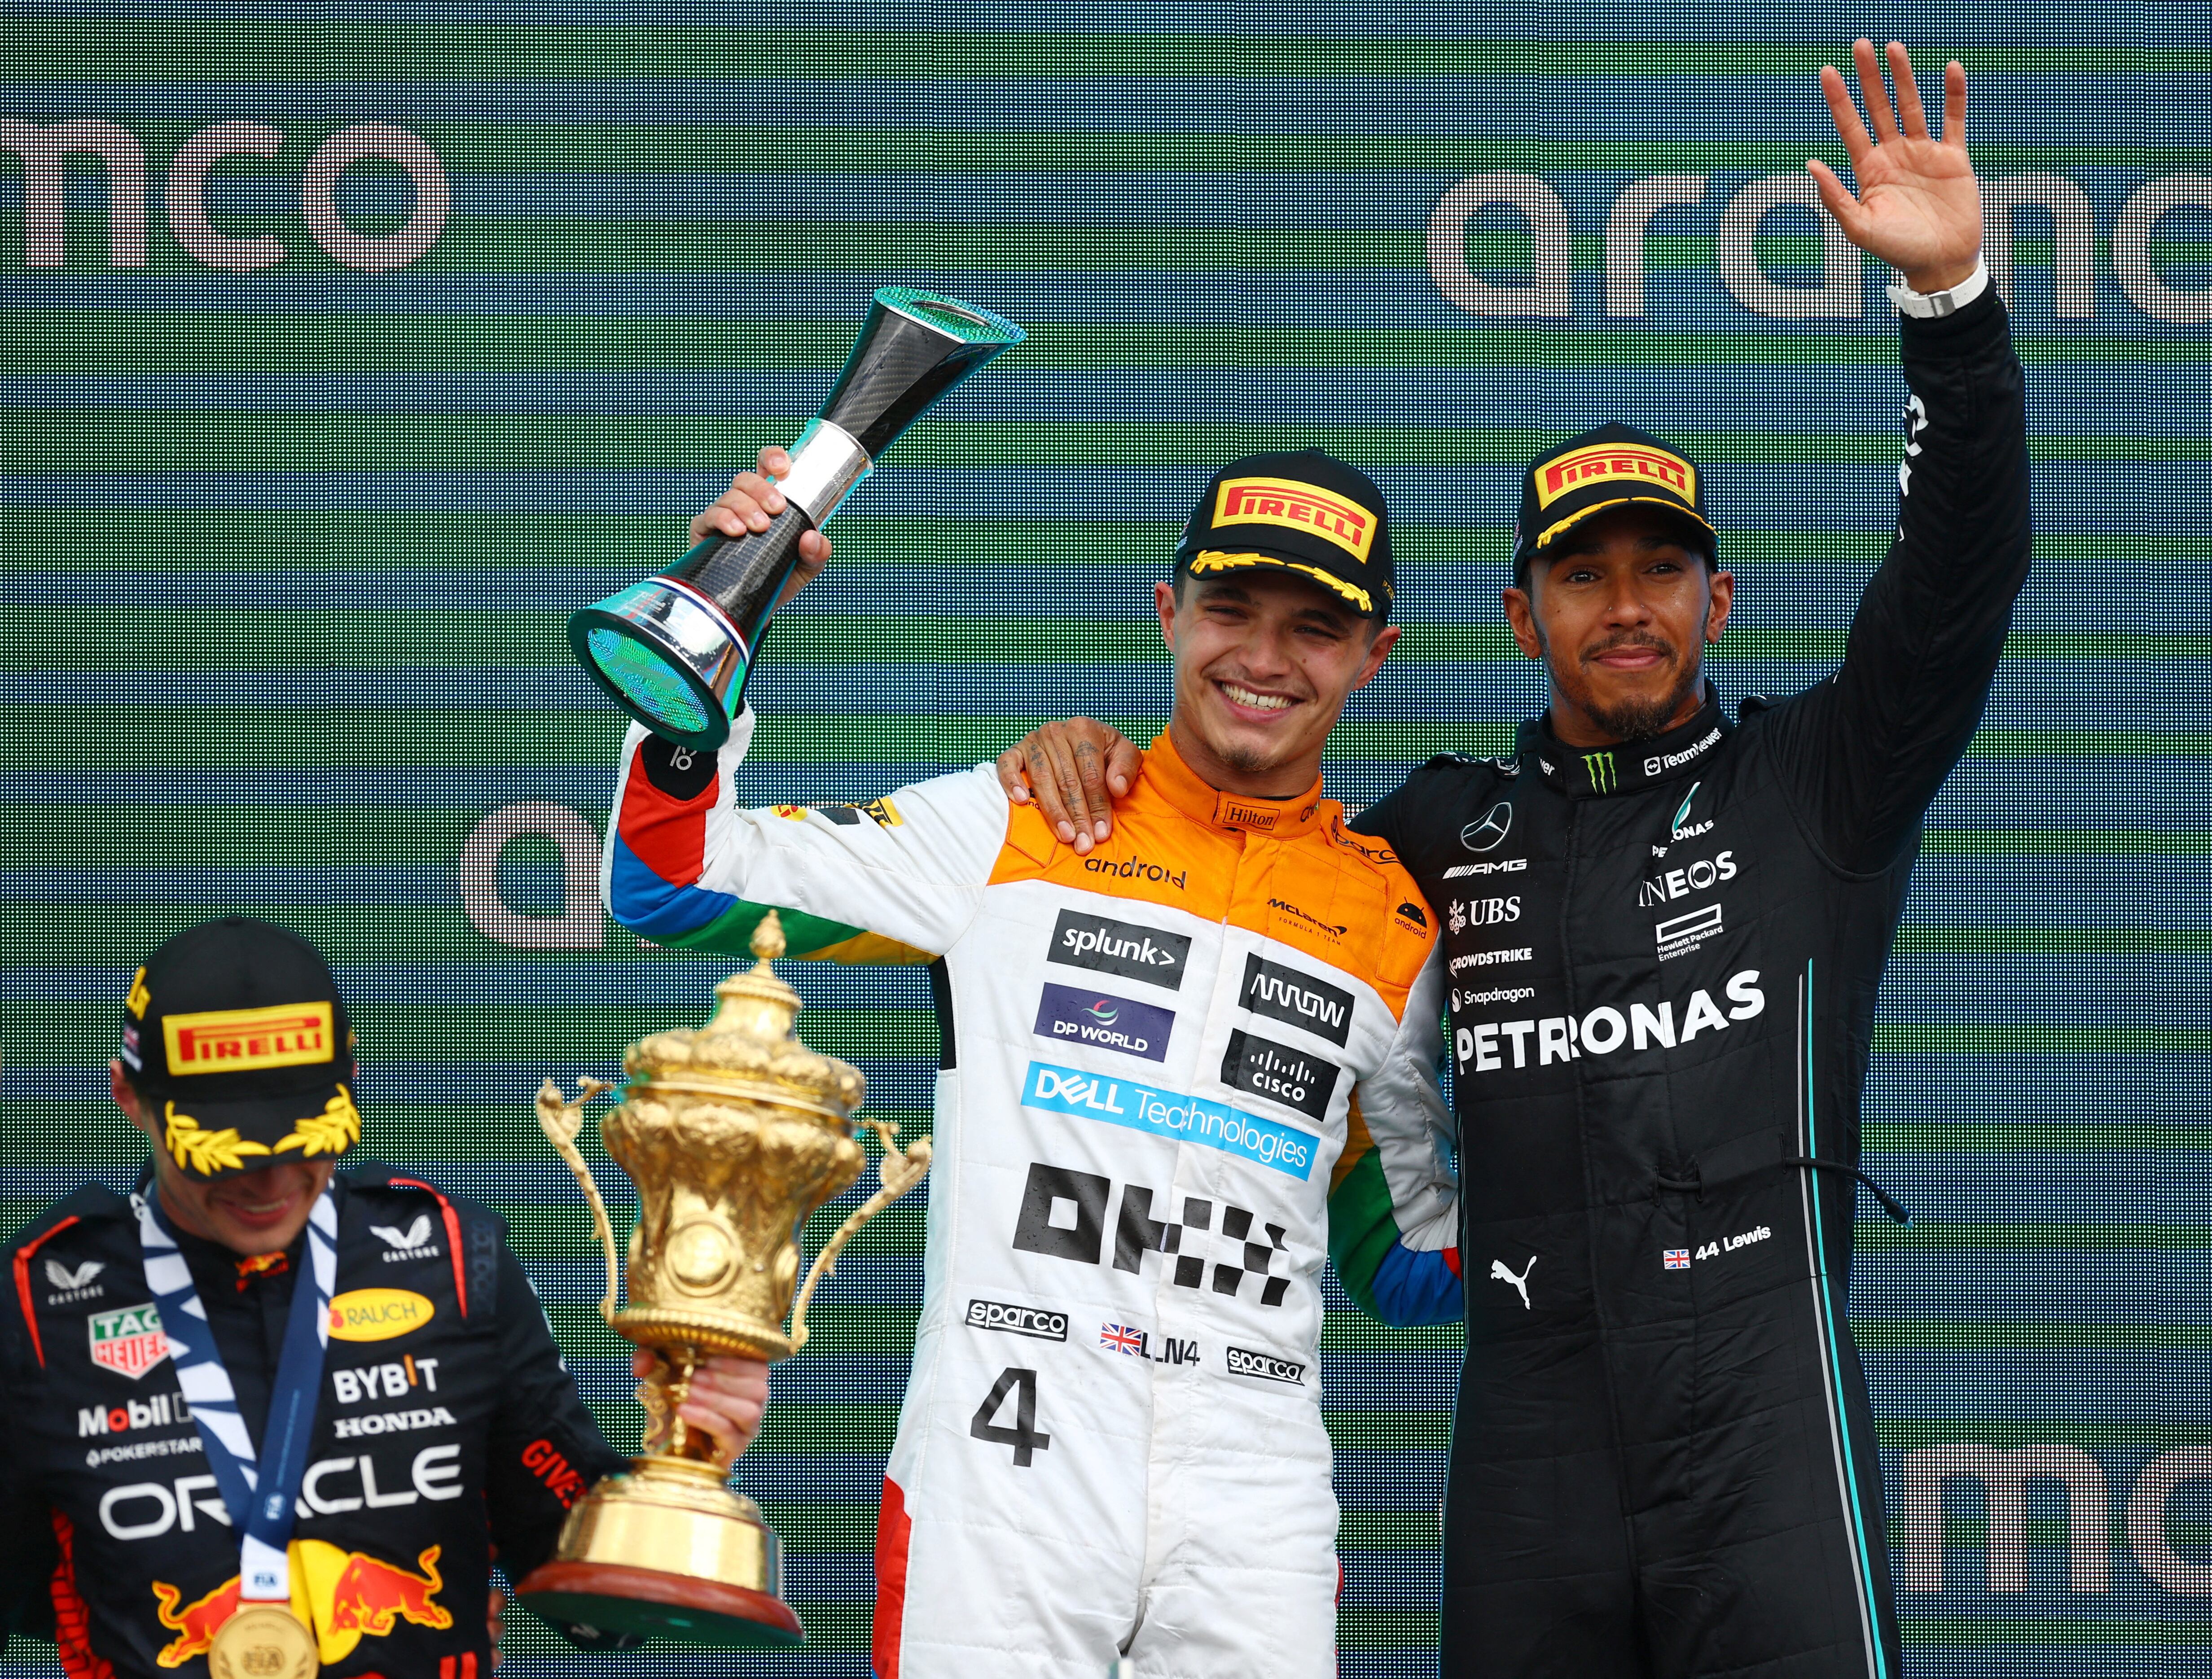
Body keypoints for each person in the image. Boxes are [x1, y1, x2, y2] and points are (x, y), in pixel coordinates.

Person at [992, 40, 2029, 1679]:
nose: (1624, 605)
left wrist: (1949, 303)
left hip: (1761, 1423)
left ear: (1717, 601)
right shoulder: (1430, 823)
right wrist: (1084, 756)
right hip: (1532, 1426)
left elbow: (1963, 568)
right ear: (1515, 615)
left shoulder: (1817, 781)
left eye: (1660, 570)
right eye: (1581, 574)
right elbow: (1240, 815)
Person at [600, 447, 1462, 1679]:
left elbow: (1408, 1265)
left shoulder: (1398, 925)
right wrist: (722, 627)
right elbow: (670, 879)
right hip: (1006, 1457)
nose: (1265, 661)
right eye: (1231, 611)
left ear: (1373, 654)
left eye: (1315, 629)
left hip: (1256, 1484)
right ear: (1169, 613)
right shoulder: (1020, 819)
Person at [0, 915, 768, 1677]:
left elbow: (593, 1613)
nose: (268, 1180)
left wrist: (689, 1455)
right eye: (225, 1145)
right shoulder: (38, 1302)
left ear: (352, 1078)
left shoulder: (453, 1260)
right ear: (129, 1096)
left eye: (304, 1139)